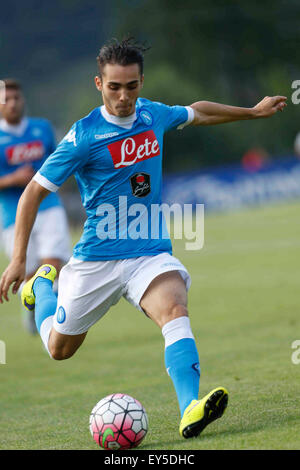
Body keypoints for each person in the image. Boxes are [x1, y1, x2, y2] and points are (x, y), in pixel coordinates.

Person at [0, 39, 287, 439]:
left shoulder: (153, 113)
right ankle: (43, 285)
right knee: (58, 349)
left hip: (147, 250)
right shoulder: (83, 136)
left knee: (174, 309)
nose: (123, 97)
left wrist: (252, 112)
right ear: (98, 83)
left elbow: (197, 112)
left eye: (131, 86)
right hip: (96, 259)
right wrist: (18, 260)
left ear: (141, 82)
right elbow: (33, 192)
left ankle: (189, 406)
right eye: (114, 87)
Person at [0, 79, 71, 333]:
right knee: (28, 272)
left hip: (48, 205)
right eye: (6, 98)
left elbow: (59, 161)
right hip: (12, 216)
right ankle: (35, 309)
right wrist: (12, 179)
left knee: (52, 264)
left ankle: (55, 320)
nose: (12, 103)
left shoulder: (42, 129)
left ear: (23, 101)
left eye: (16, 98)